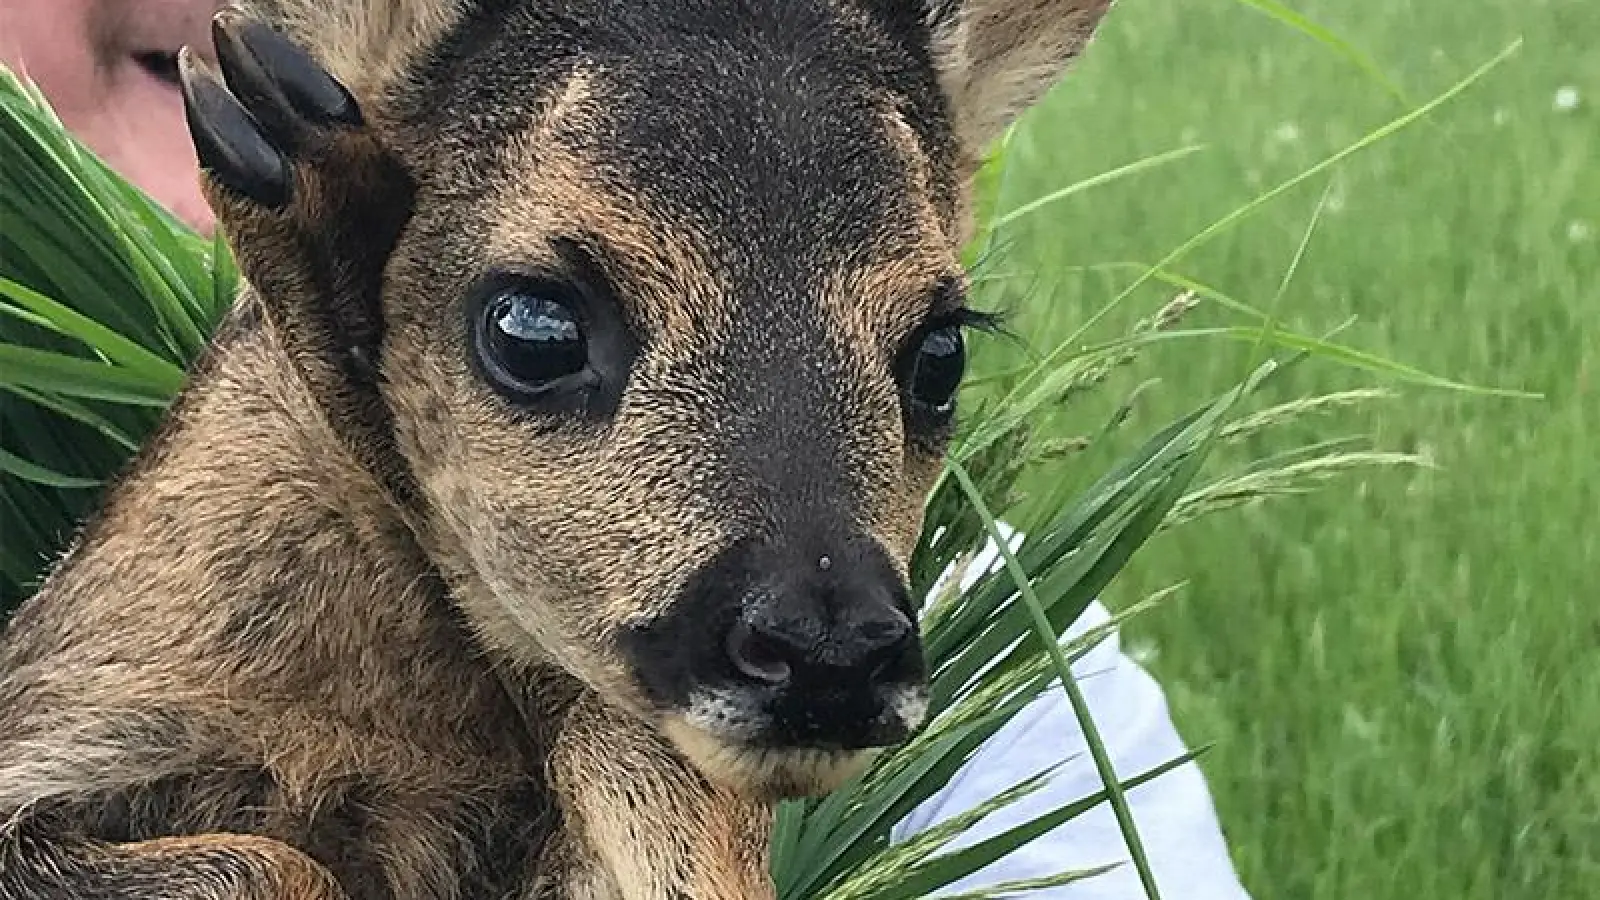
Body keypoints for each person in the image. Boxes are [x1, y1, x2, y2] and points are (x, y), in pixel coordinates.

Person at [0, 1, 1252, 896]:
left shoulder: (1018, 675)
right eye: (541, 337)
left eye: (923, 368)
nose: (839, 633)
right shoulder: (199, 574)